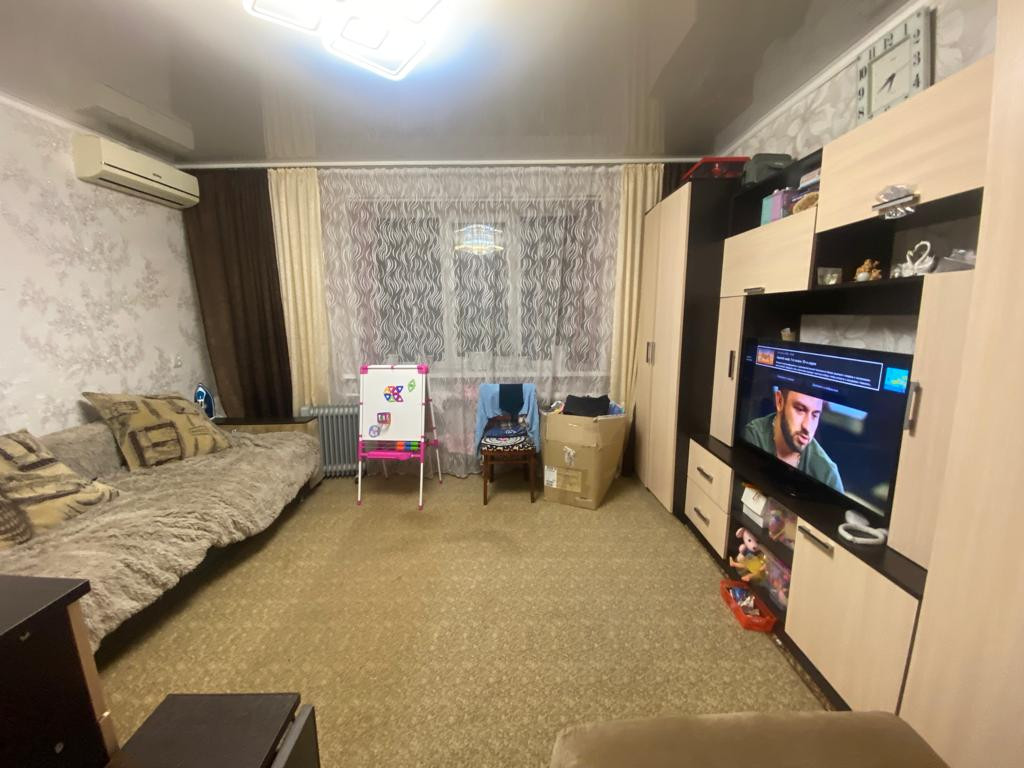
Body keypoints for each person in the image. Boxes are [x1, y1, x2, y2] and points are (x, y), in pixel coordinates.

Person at [743, 388, 844, 493]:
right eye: (800, 410)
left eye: (815, 415)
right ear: (780, 401)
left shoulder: (827, 474)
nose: (807, 427)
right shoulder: (753, 436)